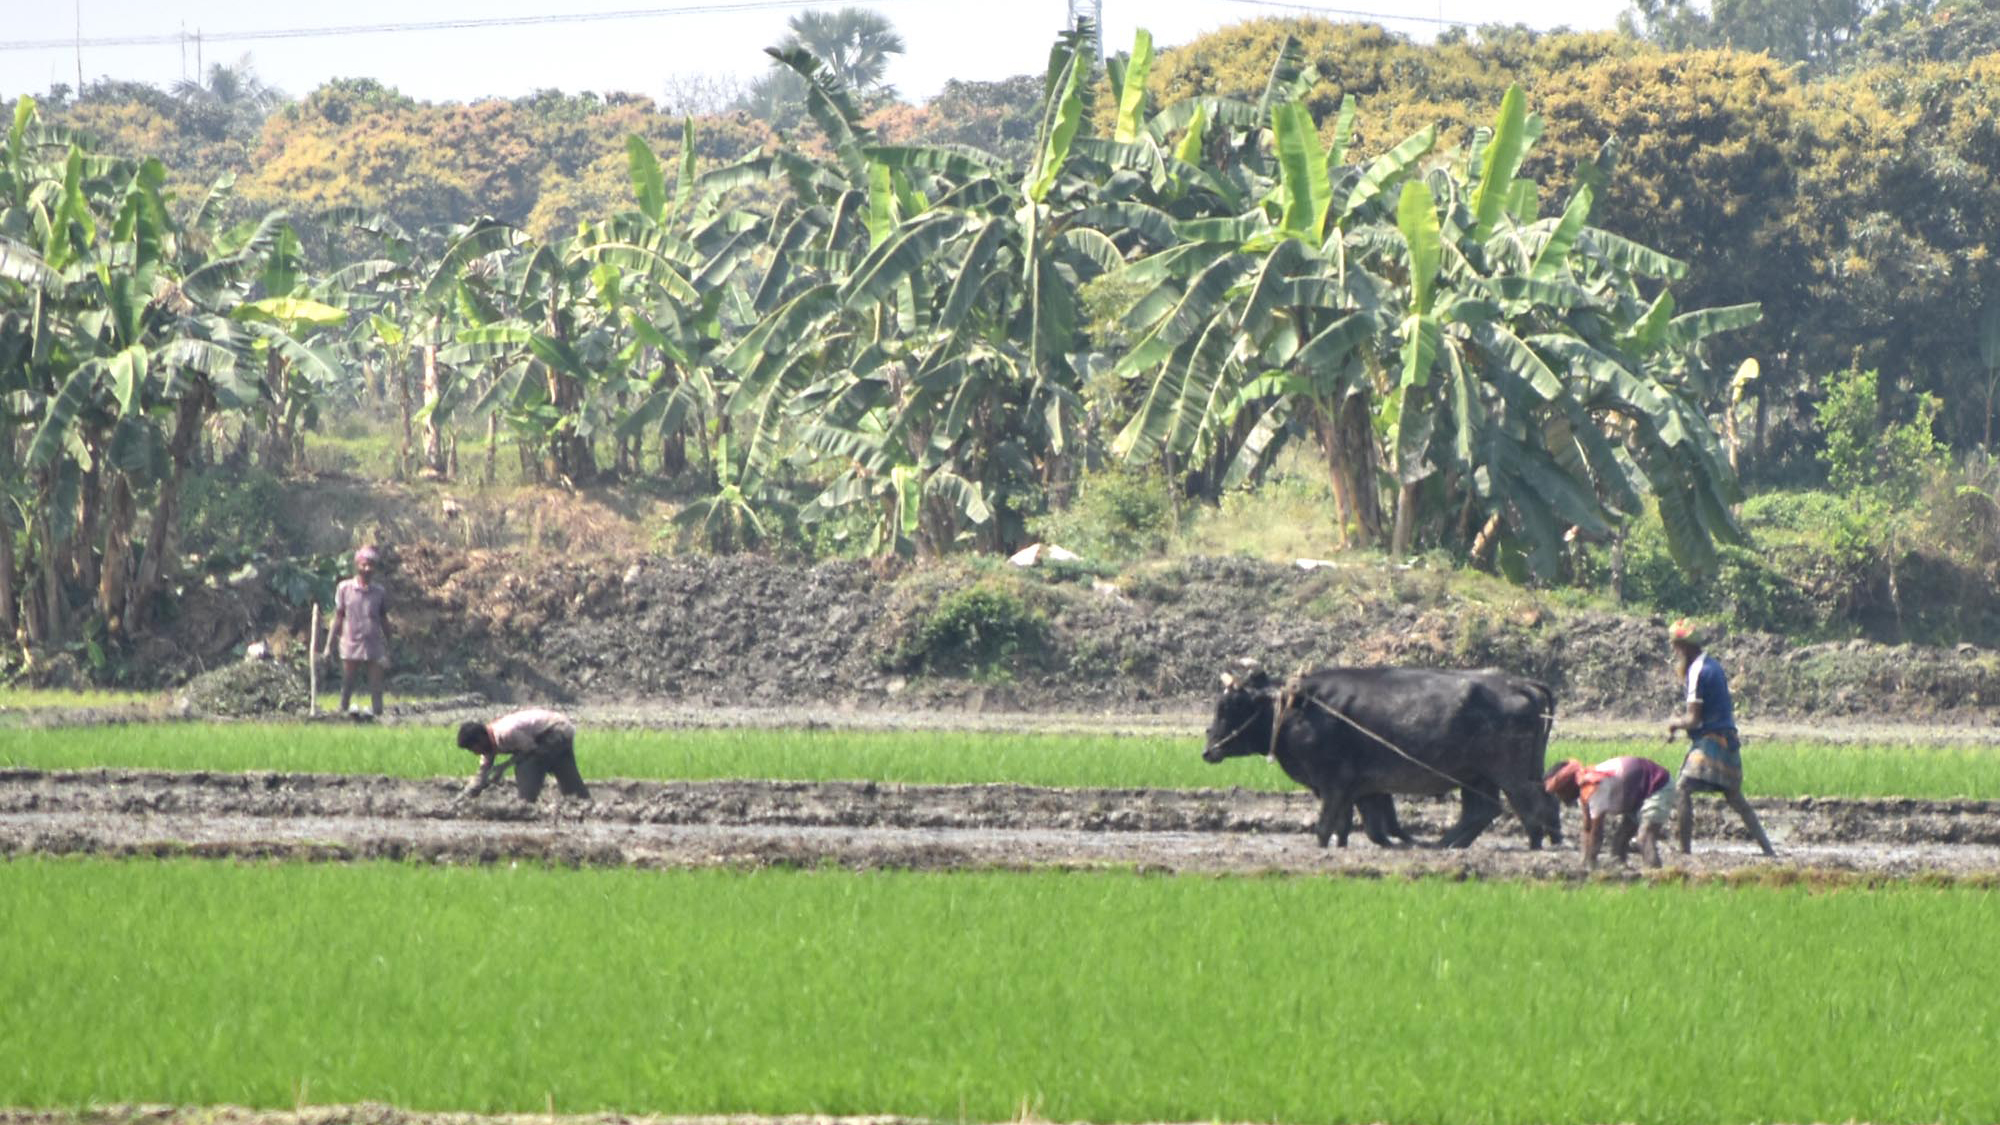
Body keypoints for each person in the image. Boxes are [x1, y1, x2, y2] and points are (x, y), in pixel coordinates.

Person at [1665, 619, 1776, 858]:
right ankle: (1769, 850)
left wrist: (1675, 724)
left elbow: (1693, 719)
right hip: (1728, 739)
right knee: (1735, 798)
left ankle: (1684, 852)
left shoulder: (1697, 670)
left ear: (1684, 647)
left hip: (1712, 741)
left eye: (1675, 646)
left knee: (1682, 788)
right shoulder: (1712, 665)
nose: (1674, 652)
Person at [1544, 756, 1675, 869]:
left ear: (1568, 786)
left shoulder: (1594, 786)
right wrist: (1584, 861)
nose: (1559, 797)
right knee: (1619, 841)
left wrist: (1591, 862)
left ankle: (1656, 877)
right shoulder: (1584, 788)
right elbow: (1587, 828)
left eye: (1559, 792)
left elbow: (1596, 831)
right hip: (1636, 794)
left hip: (1657, 785)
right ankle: (1621, 877)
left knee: (1645, 838)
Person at [456, 708, 591, 803]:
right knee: (565, 773)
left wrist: (503, 767)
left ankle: (525, 804)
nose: (475, 753)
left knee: (527, 765)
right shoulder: (489, 745)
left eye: (474, 748)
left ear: (481, 739)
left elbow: (530, 749)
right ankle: (582, 802)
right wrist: (466, 795)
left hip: (556, 731)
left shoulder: (506, 733)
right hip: (550, 733)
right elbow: (483, 772)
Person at [324, 546, 390, 718]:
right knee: (348, 681)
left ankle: (378, 715)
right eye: (364, 565)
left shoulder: (379, 592)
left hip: (373, 643)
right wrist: (328, 646)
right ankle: (342, 712)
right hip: (350, 642)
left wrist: (389, 645)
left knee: (376, 685)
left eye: (371, 566)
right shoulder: (344, 588)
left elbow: (384, 620)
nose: (367, 569)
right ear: (357, 565)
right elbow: (338, 618)